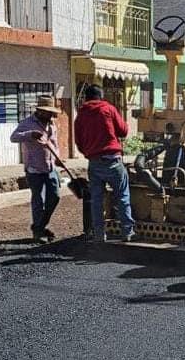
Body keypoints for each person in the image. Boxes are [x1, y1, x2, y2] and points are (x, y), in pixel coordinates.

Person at [74, 84, 135, 242]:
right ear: (100, 96)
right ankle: (127, 232)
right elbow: (123, 131)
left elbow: (79, 142)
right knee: (122, 196)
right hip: (113, 160)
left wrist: (90, 152)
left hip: (94, 163)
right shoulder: (108, 109)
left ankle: (100, 235)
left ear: (86, 98)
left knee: (96, 200)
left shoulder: (81, 115)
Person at [10, 95, 63, 244]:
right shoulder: (27, 123)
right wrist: (30, 135)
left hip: (50, 167)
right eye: (46, 112)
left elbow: (54, 145)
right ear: (39, 111)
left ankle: (39, 226)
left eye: (51, 112)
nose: (49, 115)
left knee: (55, 196)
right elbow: (13, 137)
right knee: (38, 200)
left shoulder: (51, 125)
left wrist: (57, 157)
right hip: (34, 169)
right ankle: (38, 232)